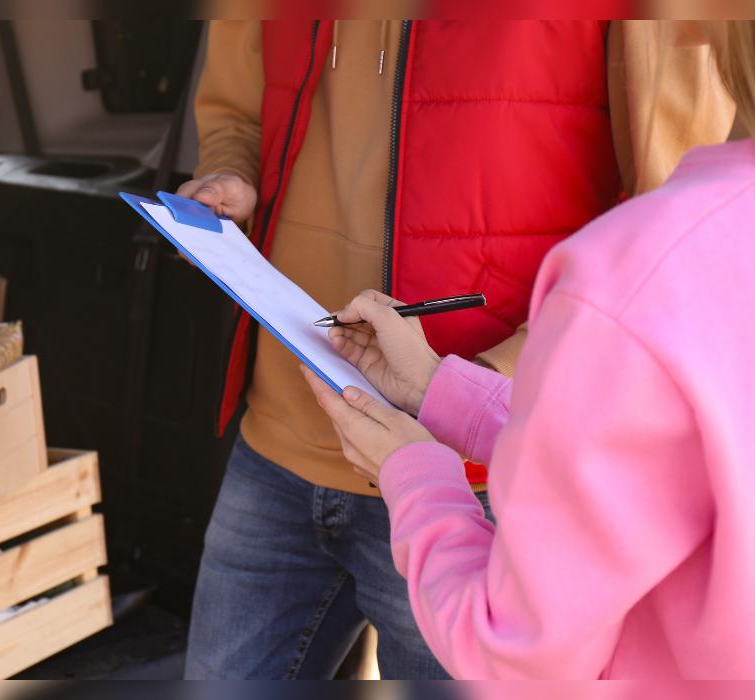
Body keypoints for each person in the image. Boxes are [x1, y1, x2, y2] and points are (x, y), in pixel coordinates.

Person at [178, 19, 733, 680]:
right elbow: (235, 109)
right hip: (280, 435)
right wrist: (229, 170)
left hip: (481, 468)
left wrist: (481, 391)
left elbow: (669, 223)